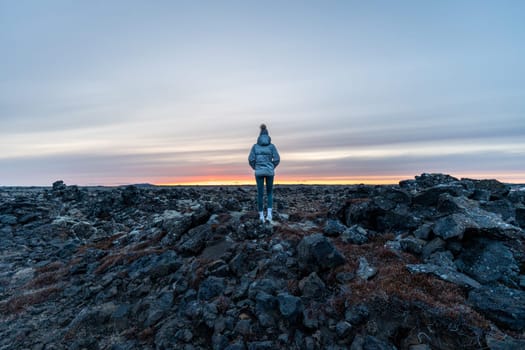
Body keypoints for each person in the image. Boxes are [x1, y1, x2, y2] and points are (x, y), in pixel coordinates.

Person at [248, 124, 280, 223]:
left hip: (259, 172)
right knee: (270, 193)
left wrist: (256, 167)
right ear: (268, 136)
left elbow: (251, 159)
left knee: (260, 194)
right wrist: (271, 166)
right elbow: (277, 159)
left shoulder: (255, 147)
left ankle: (261, 216)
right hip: (269, 172)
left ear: (259, 136)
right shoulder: (272, 146)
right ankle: (269, 215)